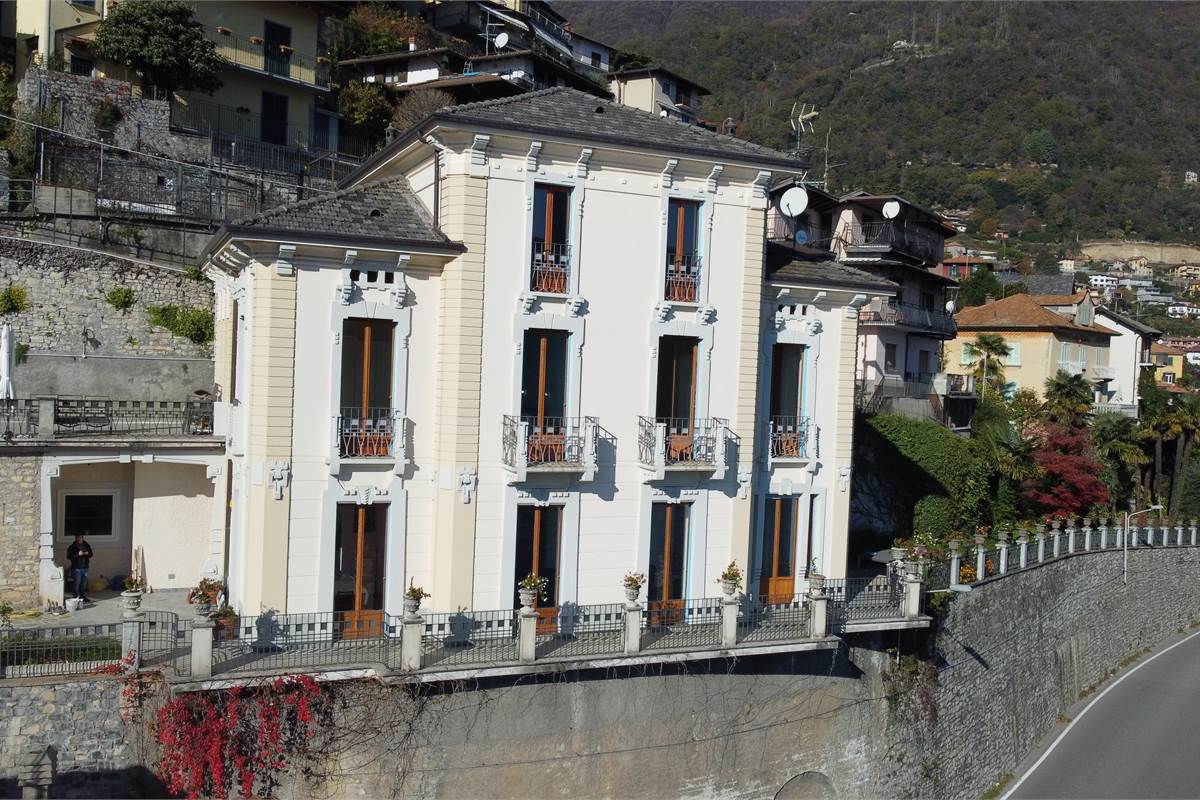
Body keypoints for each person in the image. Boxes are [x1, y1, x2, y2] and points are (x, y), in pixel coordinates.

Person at [67, 533, 94, 603]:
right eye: (78, 538)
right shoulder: (72, 547)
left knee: (83, 584)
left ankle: (82, 597)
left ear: (83, 538)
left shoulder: (86, 545)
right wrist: (77, 555)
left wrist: (87, 554)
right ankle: (76, 597)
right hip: (76, 568)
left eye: (81, 538)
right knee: (77, 583)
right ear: (75, 539)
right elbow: (69, 557)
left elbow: (91, 554)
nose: (79, 539)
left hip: (85, 568)